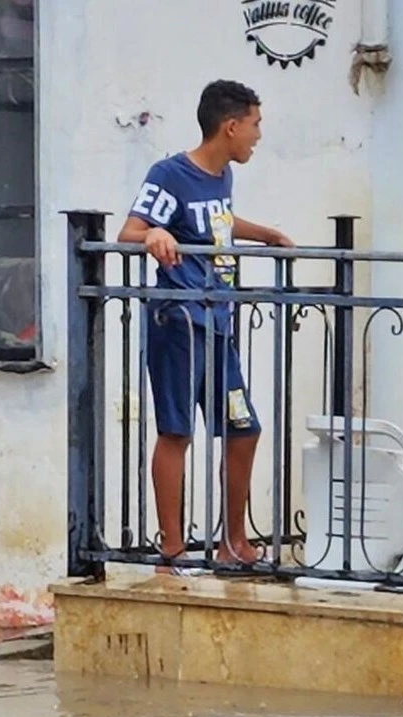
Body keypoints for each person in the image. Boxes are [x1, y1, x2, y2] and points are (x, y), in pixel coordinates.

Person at [118, 80, 294, 570]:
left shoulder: (221, 179)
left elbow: (217, 223)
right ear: (231, 126)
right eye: (255, 125)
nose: (258, 135)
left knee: (244, 427)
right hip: (178, 320)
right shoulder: (170, 174)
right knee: (176, 432)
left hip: (219, 321)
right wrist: (154, 233)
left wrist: (263, 234)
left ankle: (232, 541)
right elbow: (129, 230)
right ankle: (172, 546)